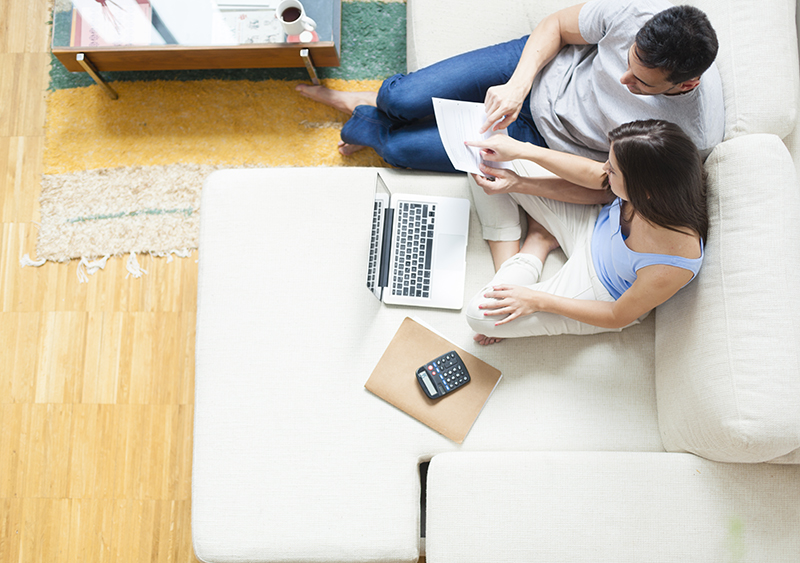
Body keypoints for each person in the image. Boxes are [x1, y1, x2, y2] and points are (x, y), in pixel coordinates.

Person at [296, 0, 724, 175]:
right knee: (399, 97)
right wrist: (518, 86)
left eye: (639, 84)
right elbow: (555, 25)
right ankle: (376, 103)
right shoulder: (640, 14)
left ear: (686, 84)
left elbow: (605, 181)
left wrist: (524, 155)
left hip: (542, 140)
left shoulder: (685, 138)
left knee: (399, 151)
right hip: (534, 70)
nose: (621, 79)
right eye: (626, 63)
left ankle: (364, 118)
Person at [463, 119, 707, 344]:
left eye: (612, 170)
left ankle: (535, 245)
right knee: (485, 159)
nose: (604, 169)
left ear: (644, 190)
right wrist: (520, 172)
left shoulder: (674, 261)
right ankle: (525, 256)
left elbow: (616, 316)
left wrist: (537, 301)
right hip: (591, 224)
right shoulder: (655, 186)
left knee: (479, 316)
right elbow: (599, 186)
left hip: (597, 289)